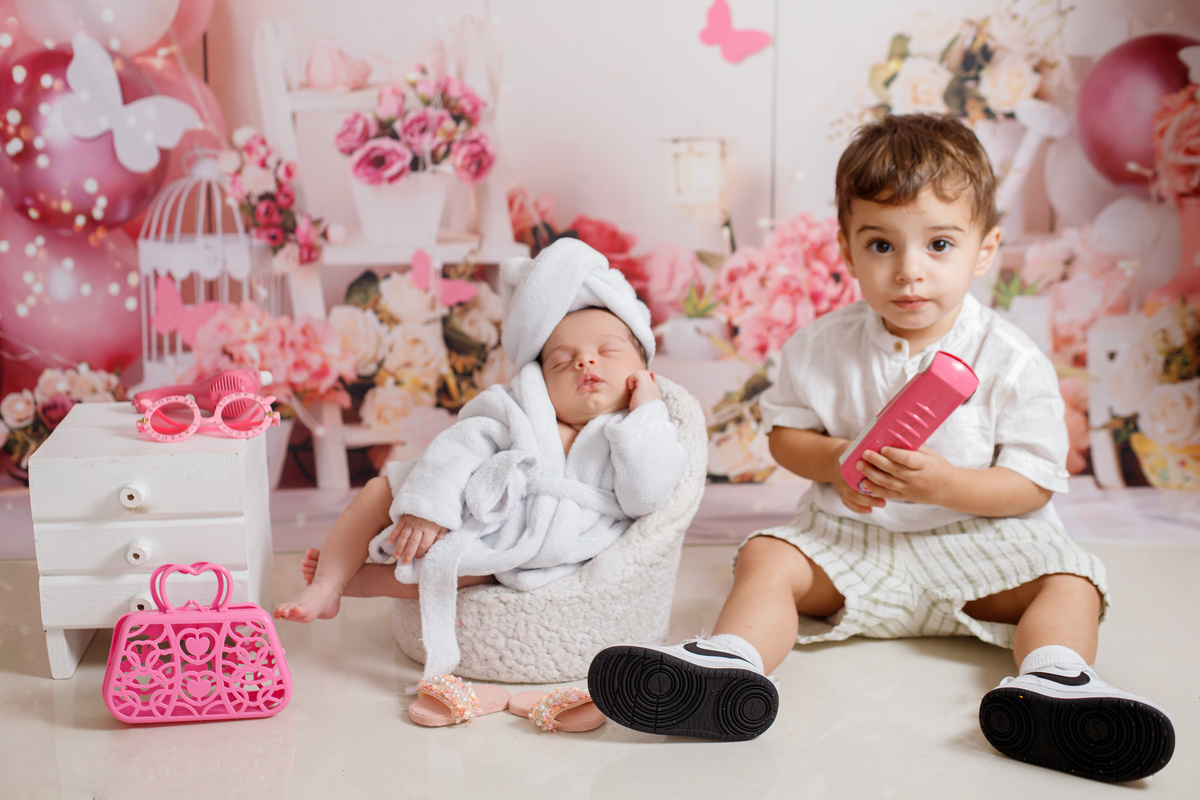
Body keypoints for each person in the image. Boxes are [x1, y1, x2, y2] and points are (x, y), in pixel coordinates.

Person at [588, 113, 1174, 782]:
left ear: (986, 249)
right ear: (847, 249)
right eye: (881, 245)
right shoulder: (818, 348)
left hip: (981, 544)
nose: (909, 272)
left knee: (1070, 580)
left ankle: (1055, 682)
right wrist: (835, 461)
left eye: (940, 244)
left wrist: (948, 485)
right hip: (852, 544)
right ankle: (730, 662)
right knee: (767, 558)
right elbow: (785, 438)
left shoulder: (1012, 359)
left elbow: (1032, 483)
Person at [274, 238, 688, 681]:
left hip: (533, 539)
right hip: (478, 496)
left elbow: (646, 495)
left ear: (642, 371)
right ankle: (327, 584)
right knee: (379, 490)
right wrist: (430, 508)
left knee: (463, 570)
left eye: (607, 351)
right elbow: (460, 446)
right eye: (562, 361)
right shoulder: (518, 411)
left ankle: (357, 583)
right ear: (538, 379)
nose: (585, 361)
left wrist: (646, 413)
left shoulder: (636, 429)